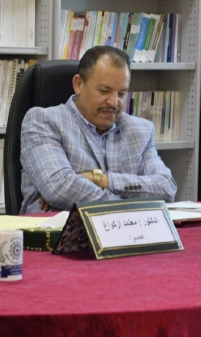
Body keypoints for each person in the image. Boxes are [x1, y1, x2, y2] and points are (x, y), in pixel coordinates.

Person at [19, 46, 178, 213]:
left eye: (121, 94)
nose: (114, 102)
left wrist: (100, 179)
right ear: (78, 84)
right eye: (104, 91)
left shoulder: (140, 131)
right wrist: (134, 206)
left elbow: (167, 188)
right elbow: (59, 188)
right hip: (58, 229)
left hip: (126, 230)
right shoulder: (43, 121)